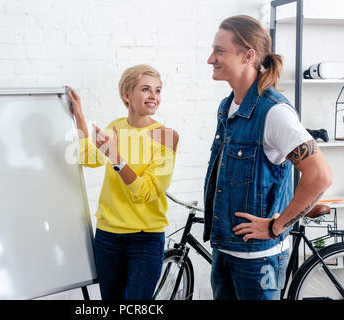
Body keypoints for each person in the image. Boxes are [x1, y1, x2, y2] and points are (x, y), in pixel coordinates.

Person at [203, 15, 333, 300]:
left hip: (258, 260)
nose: (211, 58)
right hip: (224, 251)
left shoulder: (273, 112)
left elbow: (320, 174)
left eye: (220, 51)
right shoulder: (228, 107)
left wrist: (276, 226)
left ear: (248, 55)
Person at [67, 64, 179, 300]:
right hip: (107, 235)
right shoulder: (115, 127)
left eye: (158, 90)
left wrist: (117, 158)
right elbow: (87, 157)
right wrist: (78, 114)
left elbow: (147, 192)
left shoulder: (166, 136)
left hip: (145, 238)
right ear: (127, 95)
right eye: (146, 89)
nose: (153, 96)